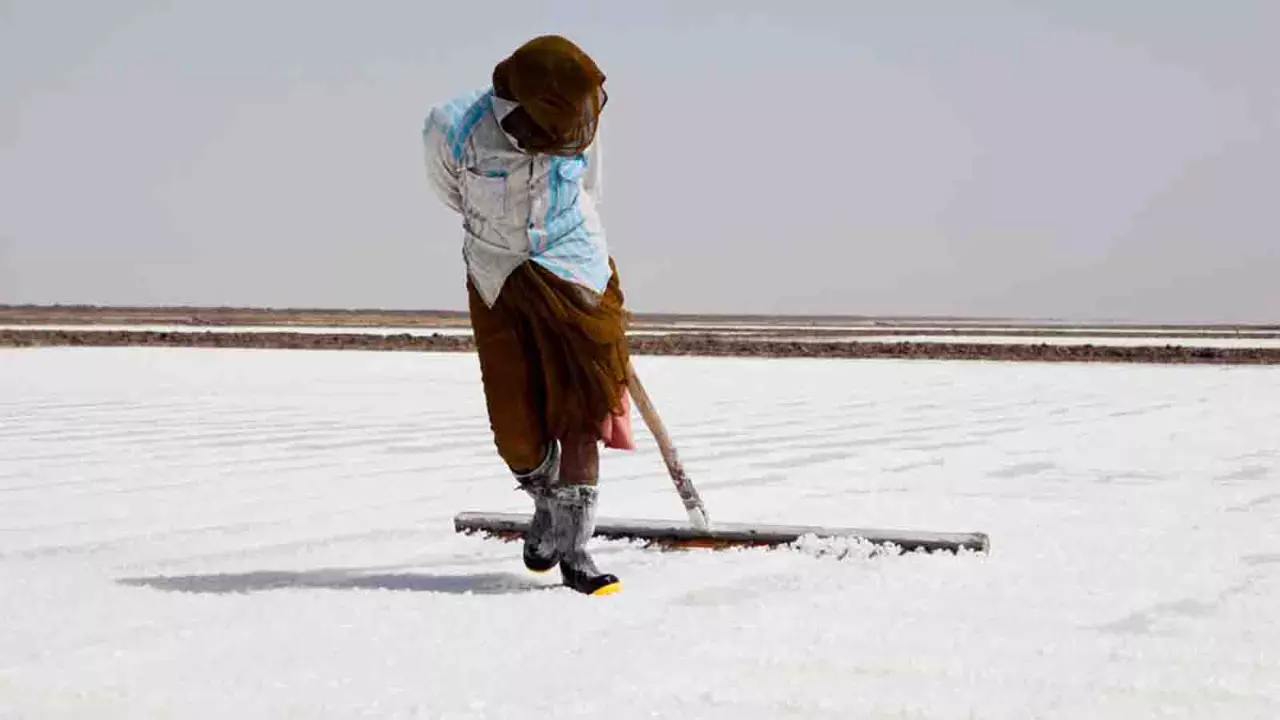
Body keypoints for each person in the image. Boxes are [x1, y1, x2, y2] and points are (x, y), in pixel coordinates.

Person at [421, 35, 635, 596]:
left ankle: (576, 551)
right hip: (498, 274)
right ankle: (545, 504)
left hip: (574, 268)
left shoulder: (577, 119)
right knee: (516, 430)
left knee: (583, 410)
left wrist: (569, 264)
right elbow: (451, 193)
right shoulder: (453, 127)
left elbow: (589, 191)